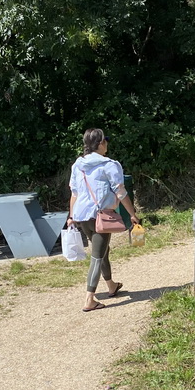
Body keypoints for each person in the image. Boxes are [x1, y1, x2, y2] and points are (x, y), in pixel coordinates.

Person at [68, 128, 141, 312]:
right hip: (101, 216)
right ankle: (89, 299)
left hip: (82, 216)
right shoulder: (110, 164)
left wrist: (71, 216)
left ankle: (111, 285)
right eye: (105, 141)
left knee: (102, 250)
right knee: (97, 256)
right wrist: (132, 213)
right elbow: (120, 191)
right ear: (100, 143)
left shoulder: (78, 164)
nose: (107, 144)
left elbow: (74, 193)